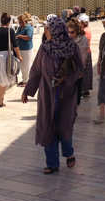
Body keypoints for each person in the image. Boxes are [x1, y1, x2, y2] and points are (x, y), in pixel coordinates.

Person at [22, 16, 83, 174]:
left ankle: (69, 153)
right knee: (48, 126)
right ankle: (52, 163)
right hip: (47, 94)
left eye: (48, 28)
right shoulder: (45, 48)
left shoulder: (72, 47)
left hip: (66, 95)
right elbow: (36, 71)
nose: (46, 31)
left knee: (64, 127)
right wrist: (27, 91)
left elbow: (80, 70)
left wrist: (67, 79)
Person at [67, 18, 90, 95]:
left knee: (76, 95)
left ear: (77, 30)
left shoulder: (83, 40)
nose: (69, 34)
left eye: (72, 32)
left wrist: (80, 71)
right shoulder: (69, 39)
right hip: (69, 70)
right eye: (68, 32)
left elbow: (83, 58)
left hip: (78, 70)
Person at [16, 13, 35, 87]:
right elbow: (16, 34)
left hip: (27, 49)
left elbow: (29, 37)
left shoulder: (29, 28)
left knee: (27, 66)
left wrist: (20, 36)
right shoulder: (20, 28)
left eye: (20, 21)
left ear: (24, 21)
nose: (19, 23)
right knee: (22, 66)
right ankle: (24, 80)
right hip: (20, 48)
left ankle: (27, 81)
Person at [78, 14, 93, 97]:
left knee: (85, 72)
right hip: (85, 52)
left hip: (85, 53)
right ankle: (84, 90)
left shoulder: (85, 31)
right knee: (85, 72)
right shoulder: (85, 29)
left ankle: (84, 90)